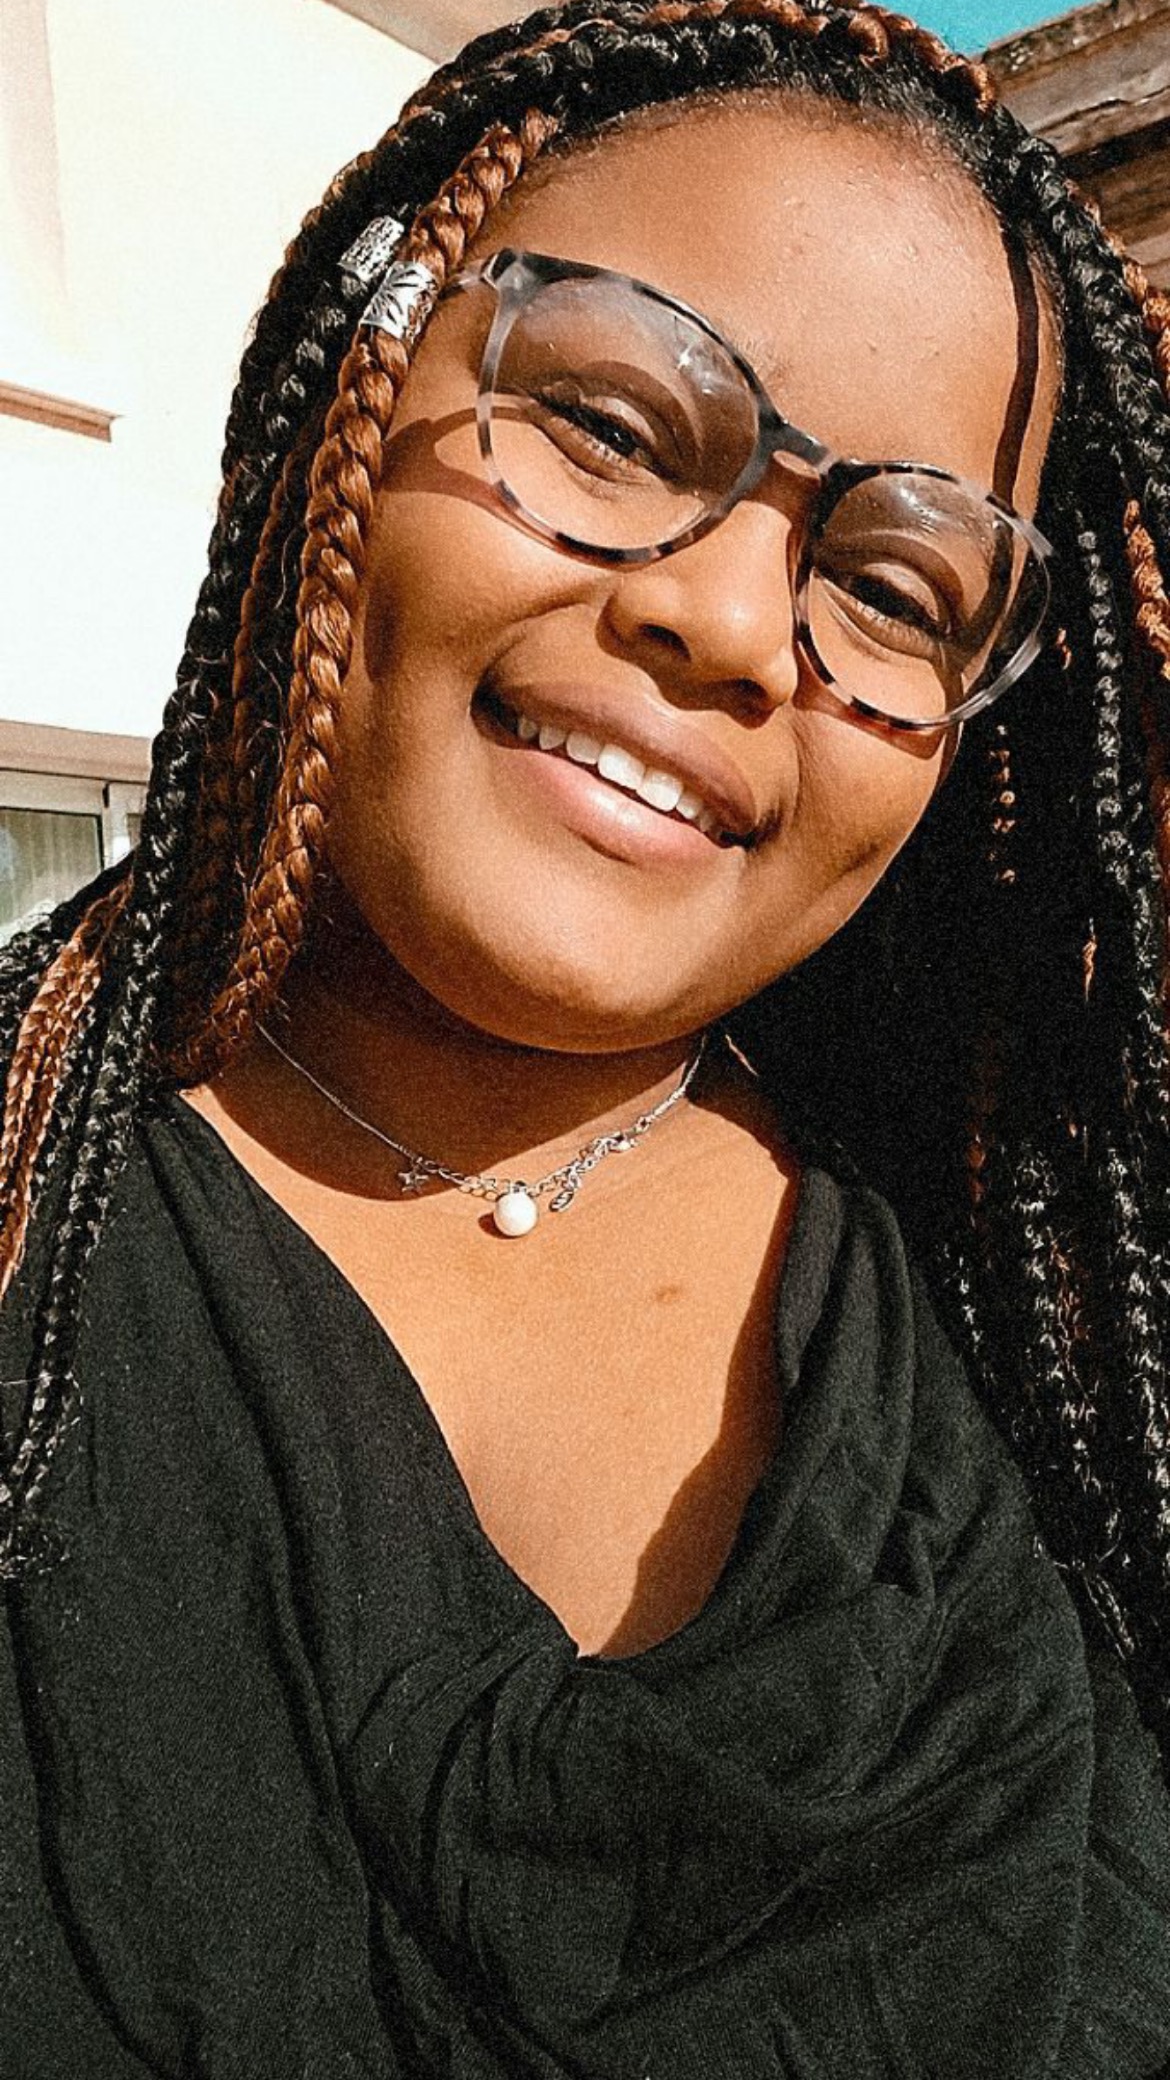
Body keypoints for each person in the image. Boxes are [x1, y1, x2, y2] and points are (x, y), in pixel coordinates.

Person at [2, 0, 1170, 2070]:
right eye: (615, 425)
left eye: (898, 586)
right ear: (360, 383)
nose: (727, 623)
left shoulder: (1047, 1337)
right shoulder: (41, 1197)